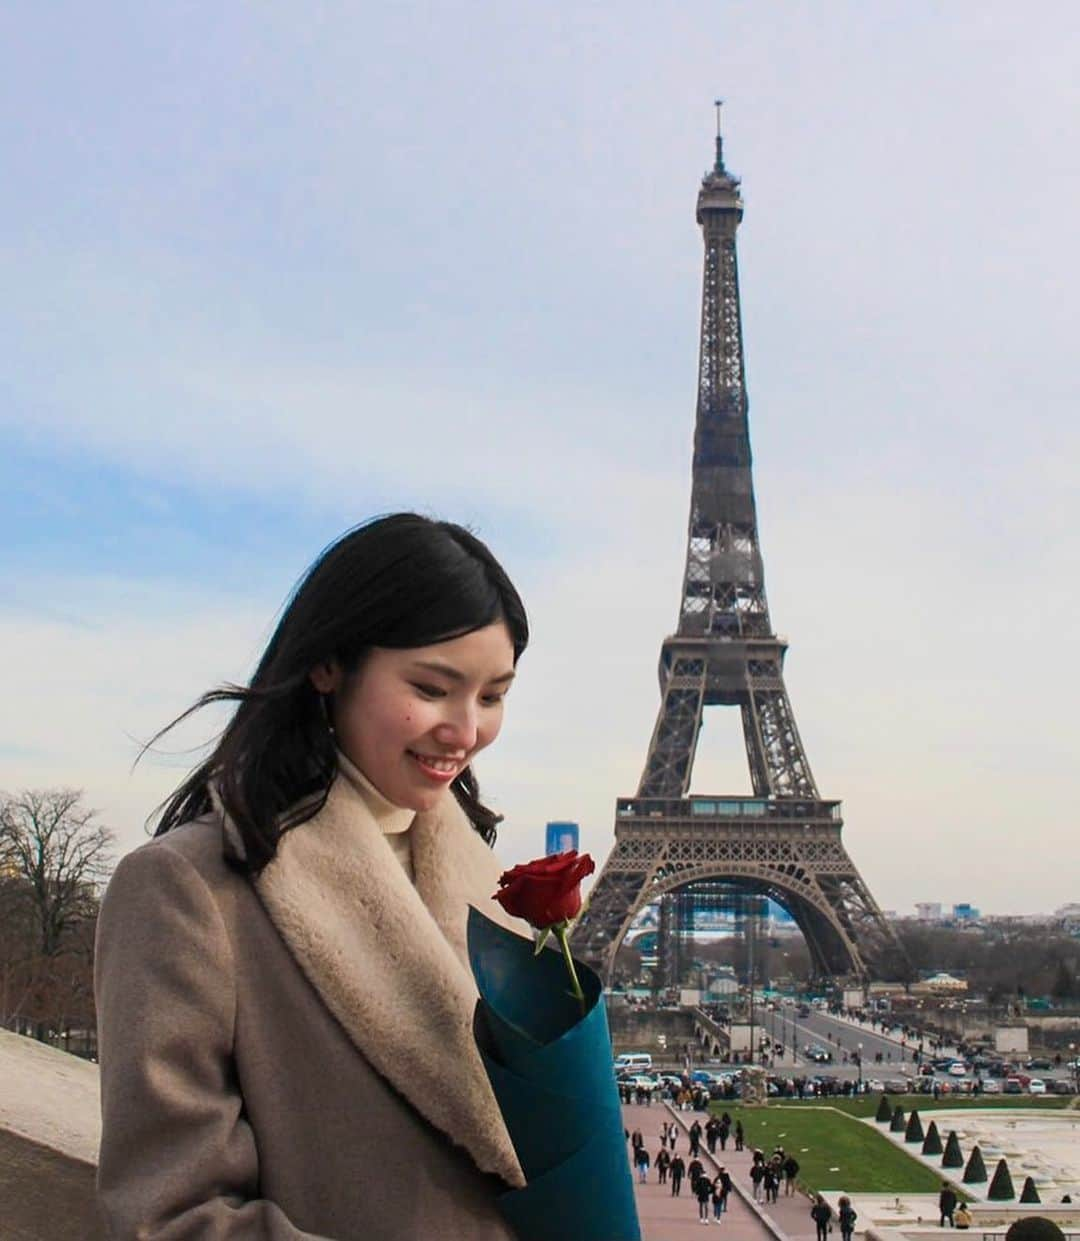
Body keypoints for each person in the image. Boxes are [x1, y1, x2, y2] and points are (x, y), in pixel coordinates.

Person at [94, 514, 533, 1240]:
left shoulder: (489, 887)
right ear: (329, 665)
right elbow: (166, 1218)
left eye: (492, 696)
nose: (465, 730)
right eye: (431, 687)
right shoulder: (185, 890)